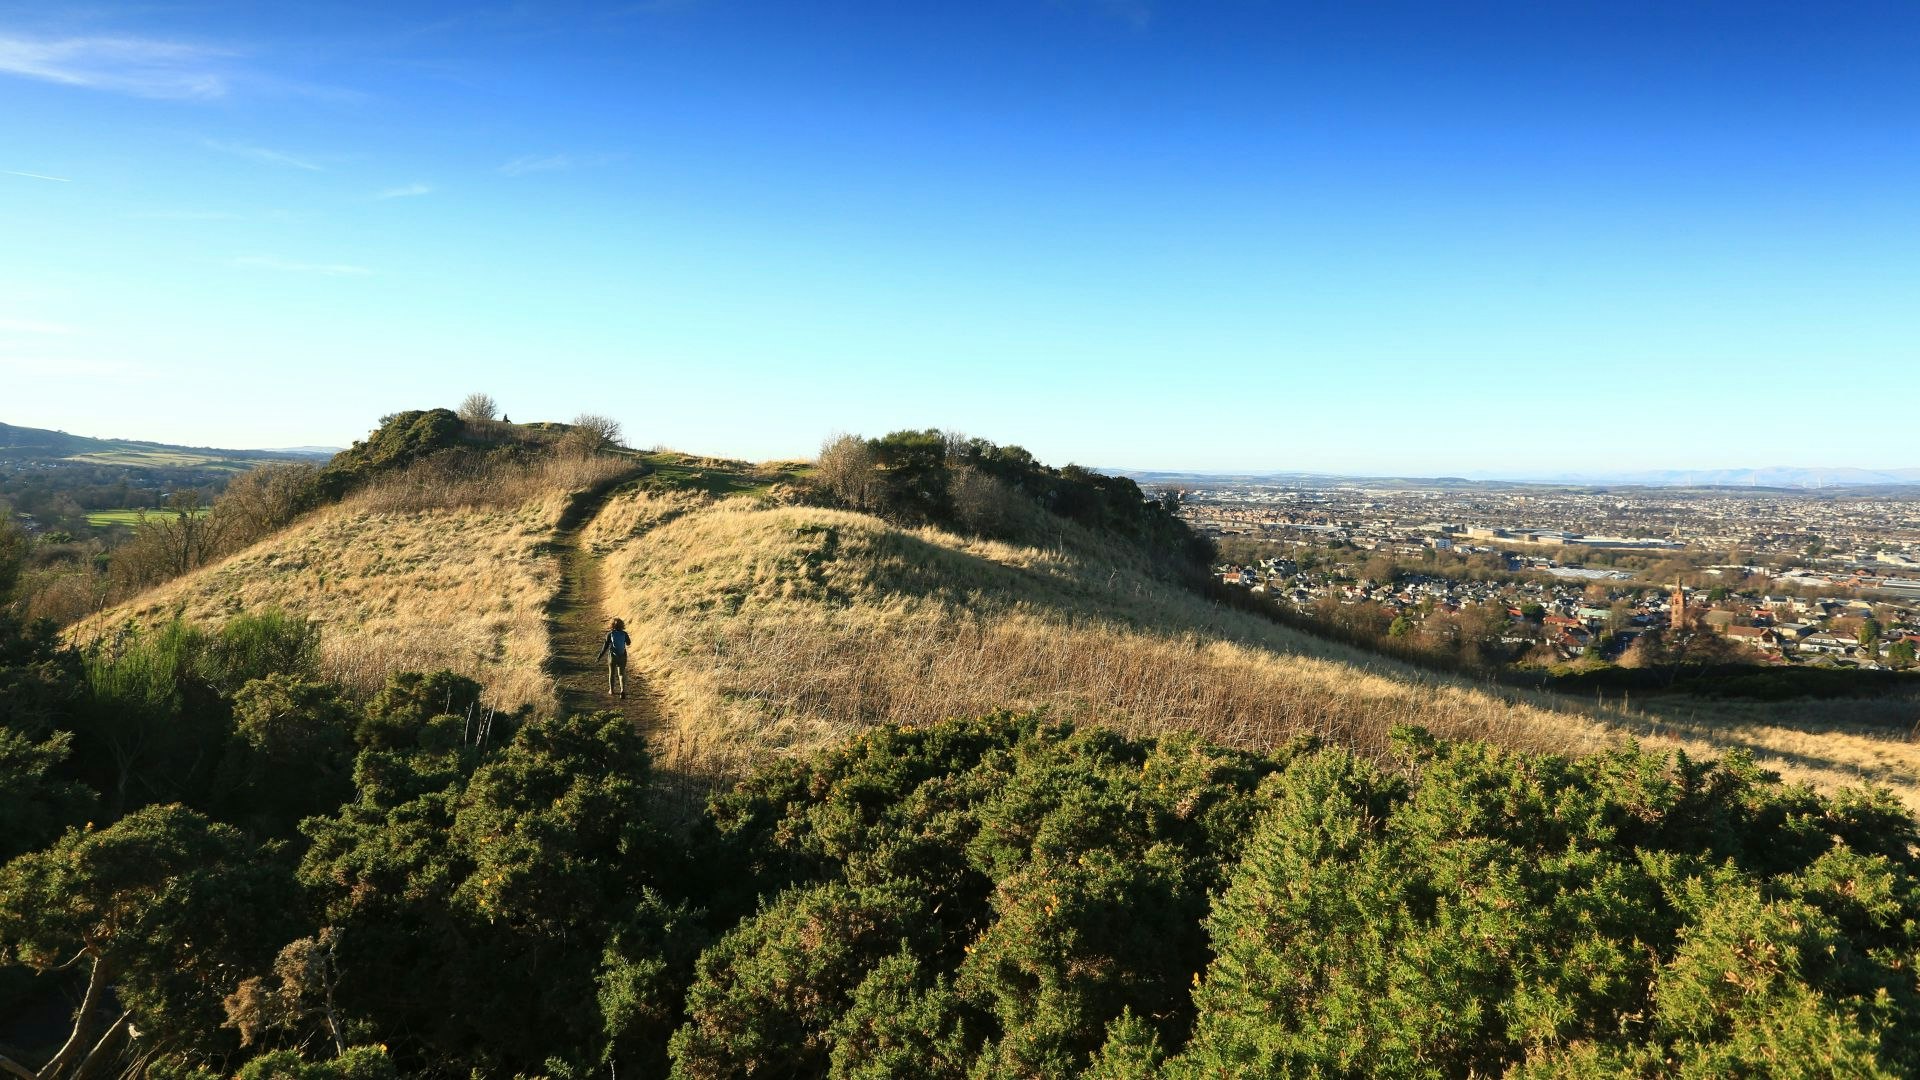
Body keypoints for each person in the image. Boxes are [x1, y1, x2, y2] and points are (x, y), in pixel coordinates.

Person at [598, 618, 631, 697]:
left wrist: (599, 656)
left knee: (612, 673)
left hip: (612, 657)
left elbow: (605, 647)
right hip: (622, 656)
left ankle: (611, 690)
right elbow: (628, 643)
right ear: (622, 625)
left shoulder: (610, 634)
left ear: (612, 625)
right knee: (621, 674)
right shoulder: (624, 633)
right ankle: (622, 690)